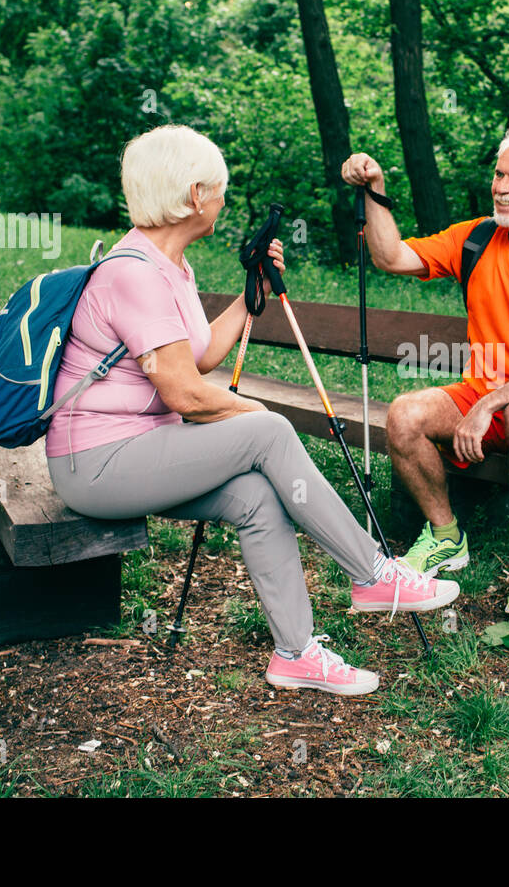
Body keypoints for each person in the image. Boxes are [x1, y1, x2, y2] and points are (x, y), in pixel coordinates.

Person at [45, 124, 458, 696]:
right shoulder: (133, 275)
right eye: (219, 188)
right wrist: (260, 421)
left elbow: (204, 357)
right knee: (268, 430)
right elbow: (185, 395)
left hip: (139, 451)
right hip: (96, 465)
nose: (224, 199)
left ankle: (295, 653)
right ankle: (374, 575)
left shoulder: (171, 266)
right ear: (195, 196)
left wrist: (251, 291)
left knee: (260, 499)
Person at [340, 128, 509, 624]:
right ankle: (446, 536)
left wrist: (488, 405)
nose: (501, 186)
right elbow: (390, 257)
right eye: (498, 174)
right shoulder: (477, 238)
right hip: (482, 391)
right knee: (405, 413)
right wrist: (374, 189)